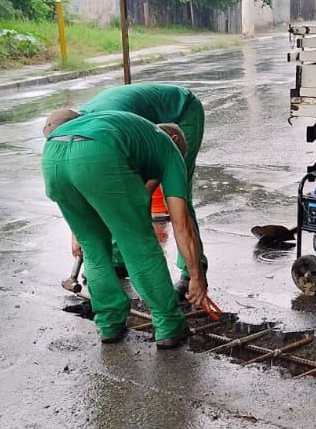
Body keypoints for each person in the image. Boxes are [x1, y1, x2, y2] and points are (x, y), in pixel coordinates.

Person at [43, 109, 208, 347]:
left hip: (52, 157)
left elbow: (123, 187)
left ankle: (109, 324)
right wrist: (196, 276)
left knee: (93, 248)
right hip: (97, 155)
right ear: (175, 141)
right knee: (139, 245)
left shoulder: (136, 136)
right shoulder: (169, 151)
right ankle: (169, 325)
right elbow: (182, 225)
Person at [46, 83, 206, 297]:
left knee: (176, 196)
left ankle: (192, 270)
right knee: (129, 198)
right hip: (136, 130)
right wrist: (79, 231)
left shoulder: (109, 123)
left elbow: (129, 188)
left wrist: (133, 208)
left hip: (183, 113)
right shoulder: (83, 130)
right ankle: (118, 259)